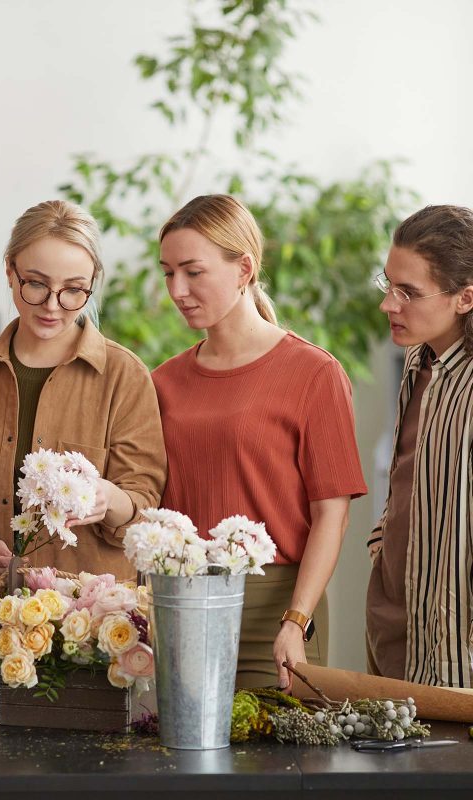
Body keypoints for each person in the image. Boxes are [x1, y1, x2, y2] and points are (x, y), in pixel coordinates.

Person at [0, 199, 167, 696]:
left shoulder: (124, 377)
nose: (53, 305)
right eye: (36, 284)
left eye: (74, 290)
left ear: (93, 283)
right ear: (10, 272)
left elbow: (144, 499)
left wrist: (109, 499)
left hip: (93, 631)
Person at [151, 194, 367, 690]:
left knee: (274, 743)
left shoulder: (314, 373)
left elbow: (331, 515)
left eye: (193, 272)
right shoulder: (161, 382)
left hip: (279, 613)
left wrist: (296, 620)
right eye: (168, 273)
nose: (177, 290)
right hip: (183, 607)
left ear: (244, 269)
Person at [366, 205, 473, 687]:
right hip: (395, 625)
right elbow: (406, 475)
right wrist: (381, 543)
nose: (388, 305)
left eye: (408, 292)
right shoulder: (416, 362)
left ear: (465, 298)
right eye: (388, 284)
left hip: (458, 649)